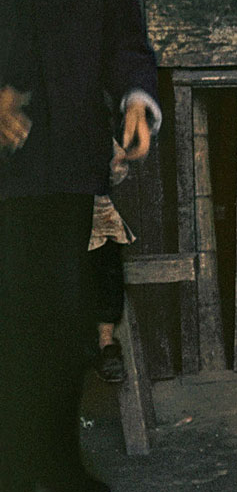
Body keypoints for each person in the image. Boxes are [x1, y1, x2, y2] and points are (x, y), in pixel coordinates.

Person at [0, 0, 159, 492]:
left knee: (63, 319)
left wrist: (134, 97)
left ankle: (56, 456)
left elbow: (124, 39)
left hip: (67, 161)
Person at [85, 141, 136, 384]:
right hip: (47, 208)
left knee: (107, 264)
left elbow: (116, 169)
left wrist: (116, 160)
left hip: (93, 206)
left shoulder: (88, 123)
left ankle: (106, 344)